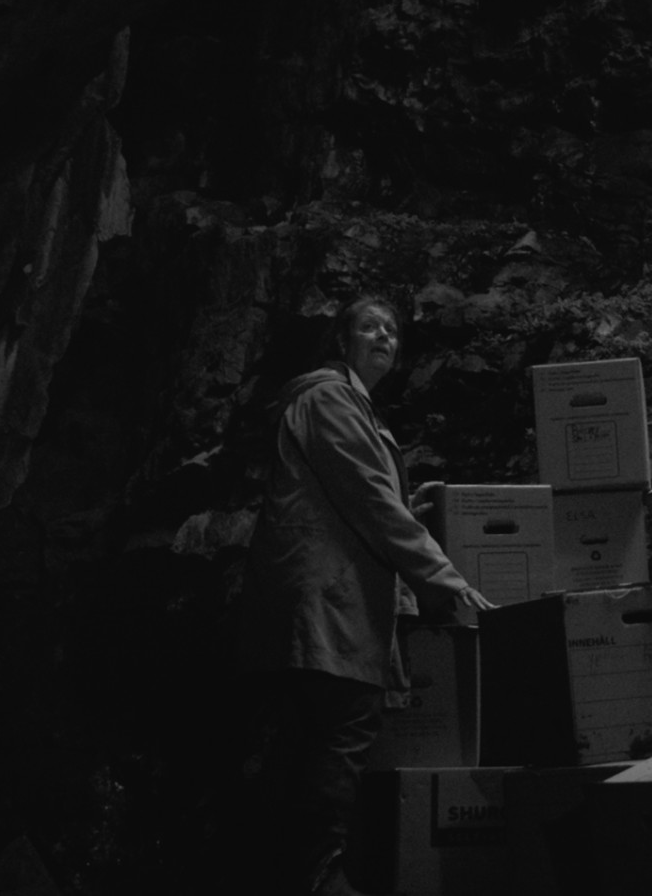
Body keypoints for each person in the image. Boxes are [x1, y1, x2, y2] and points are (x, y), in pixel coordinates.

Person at [235, 294, 495, 895]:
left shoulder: (352, 406)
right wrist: (448, 580)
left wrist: (406, 508)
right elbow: (371, 502)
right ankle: (319, 877)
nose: (383, 337)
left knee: (312, 737)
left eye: (391, 331)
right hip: (326, 600)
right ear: (342, 341)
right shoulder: (329, 398)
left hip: (333, 597)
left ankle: (297, 875)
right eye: (368, 327)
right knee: (341, 729)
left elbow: (358, 497)